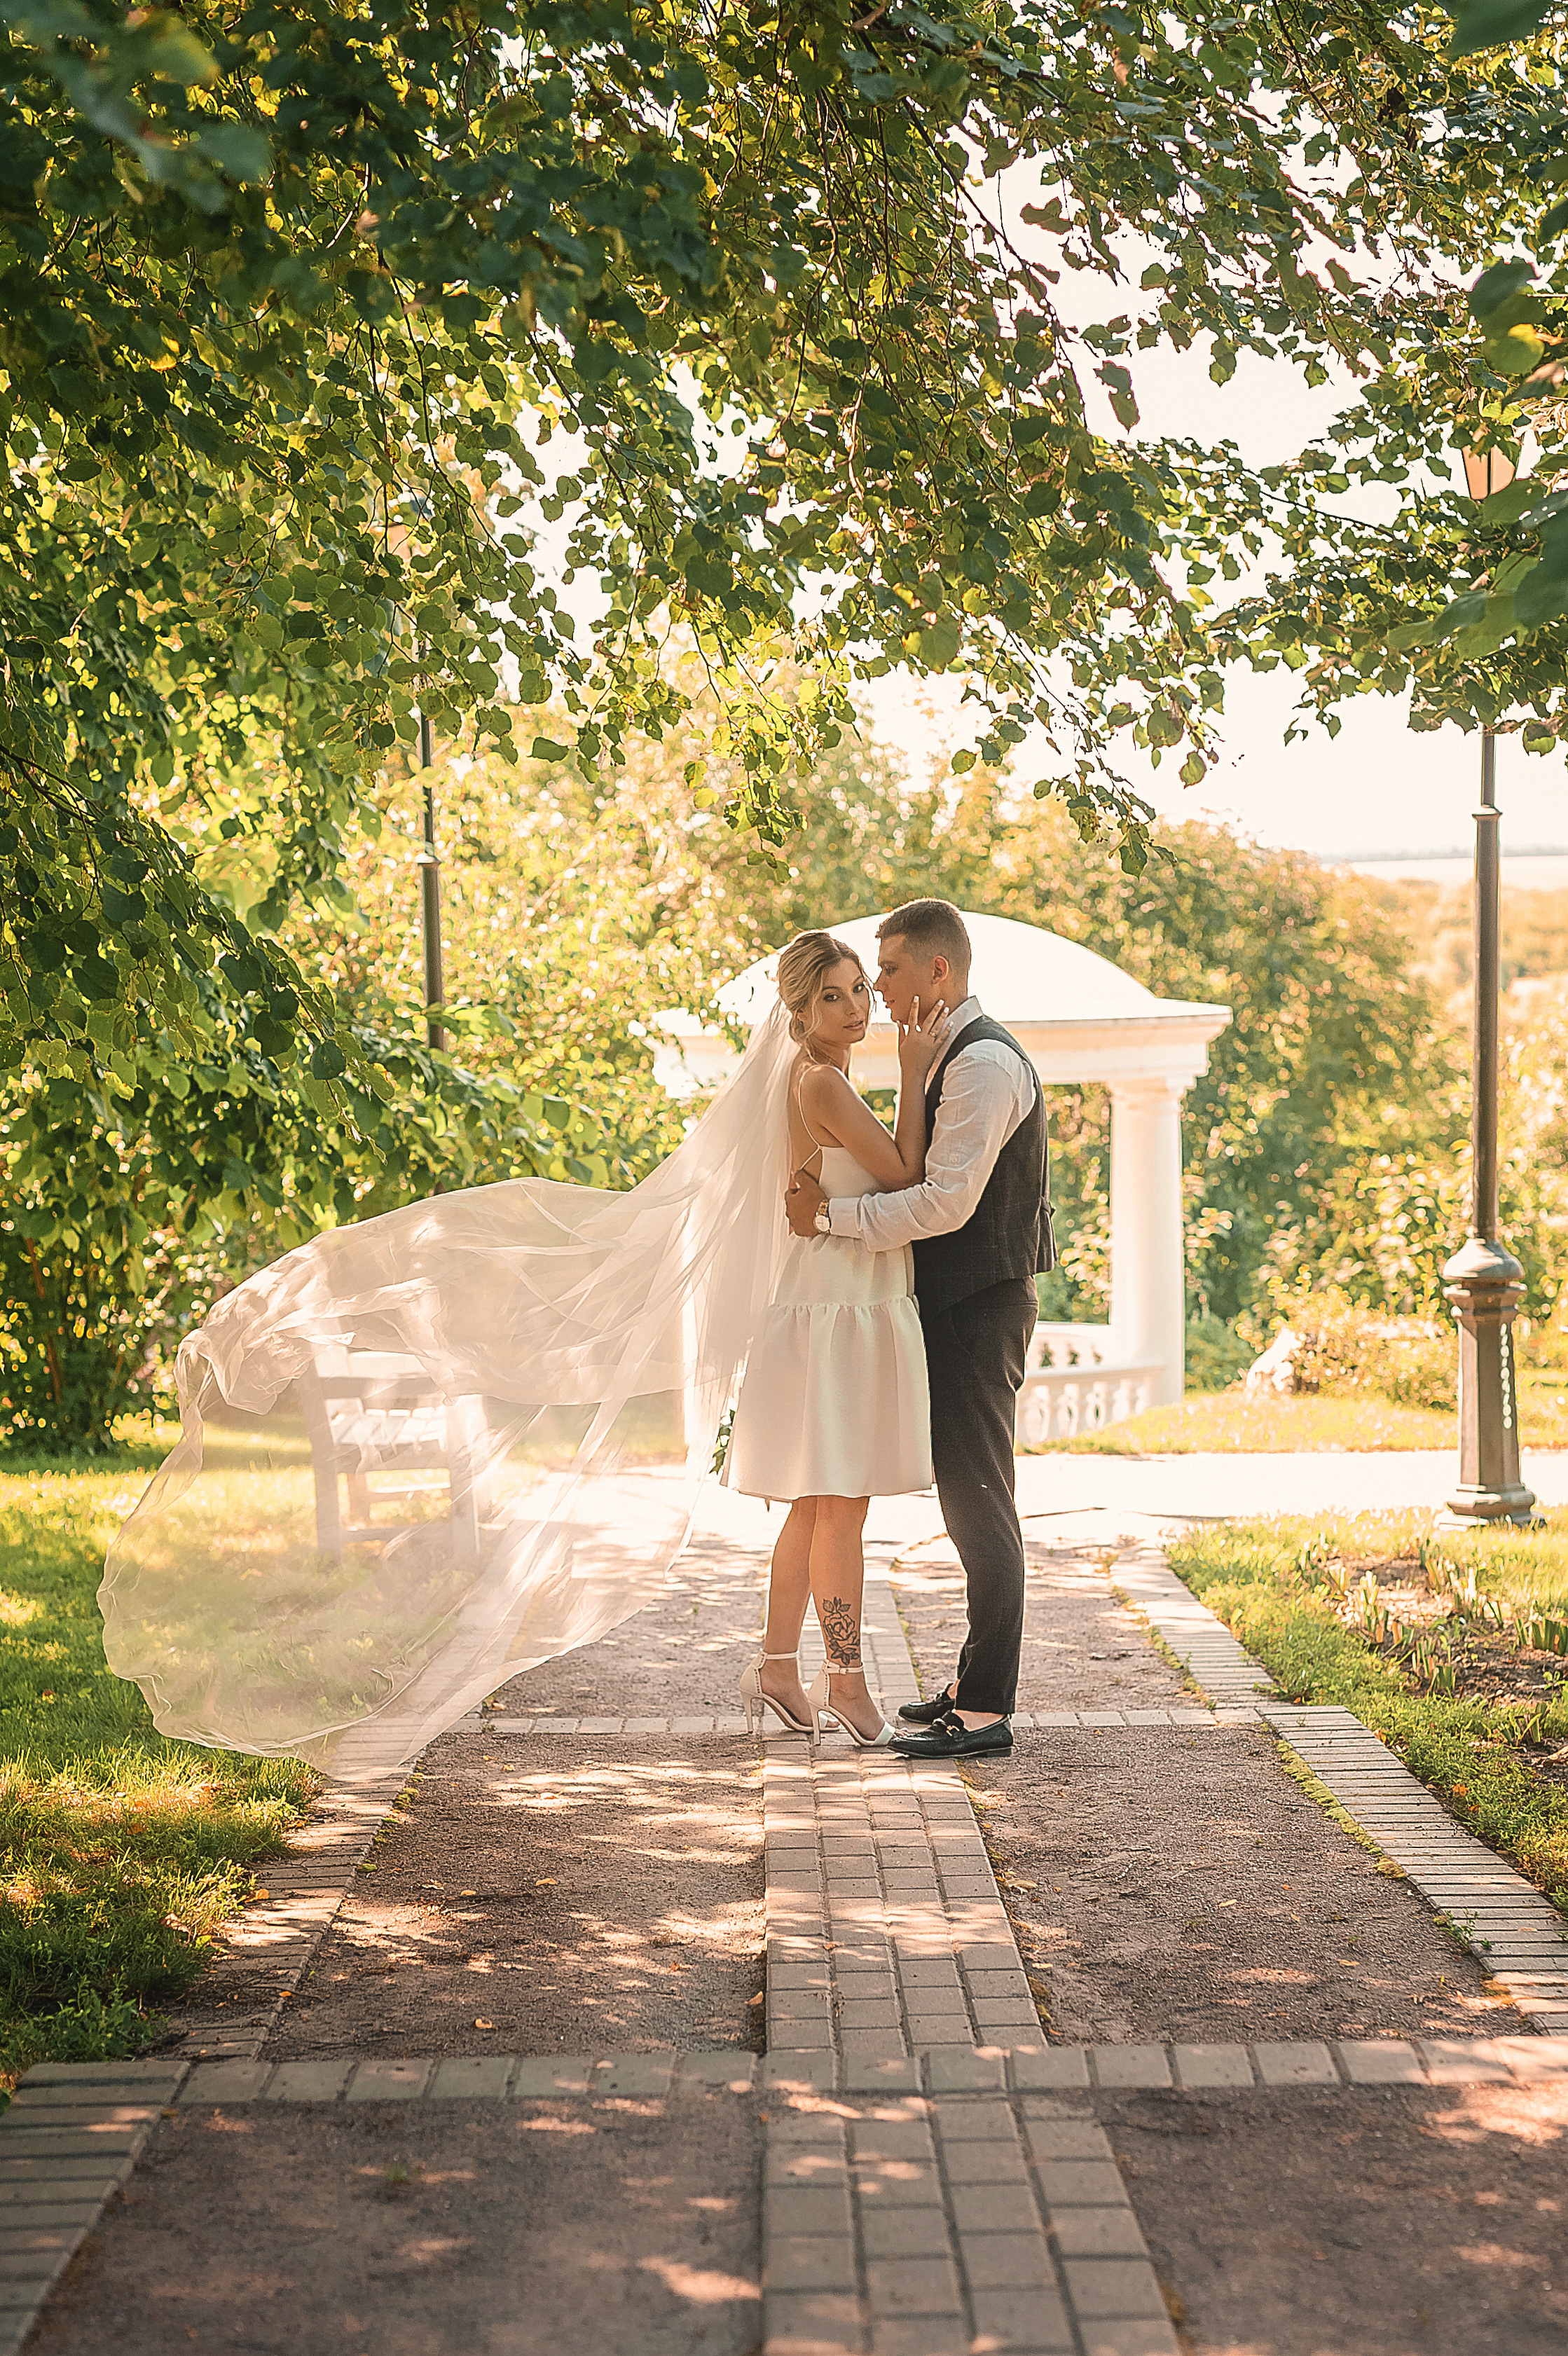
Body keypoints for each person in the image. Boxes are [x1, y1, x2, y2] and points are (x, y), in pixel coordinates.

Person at [785, 899, 1054, 1761]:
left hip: (980, 1305)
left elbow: (942, 1203)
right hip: (950, 1305)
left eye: (890, 971)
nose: (879, 991)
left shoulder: (983, 1063)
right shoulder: (945, 1053)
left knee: (980, 1502)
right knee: (966, 1498)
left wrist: (830, 1219)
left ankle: (985, 1710)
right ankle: (972, 1684)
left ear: (938, 970)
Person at [728, 931, 951, 1747]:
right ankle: (845, 1681)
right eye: (833, 996)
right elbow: (904, 1175)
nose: (856, 1006)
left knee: (816, 1501)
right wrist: (916, 1072)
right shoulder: (820, 1080)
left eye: (860, 988)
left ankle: (778, 1666)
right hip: (837, 1308)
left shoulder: (821, 1074)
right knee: (841, 1505)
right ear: (801, 1009)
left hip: (833, 1299)